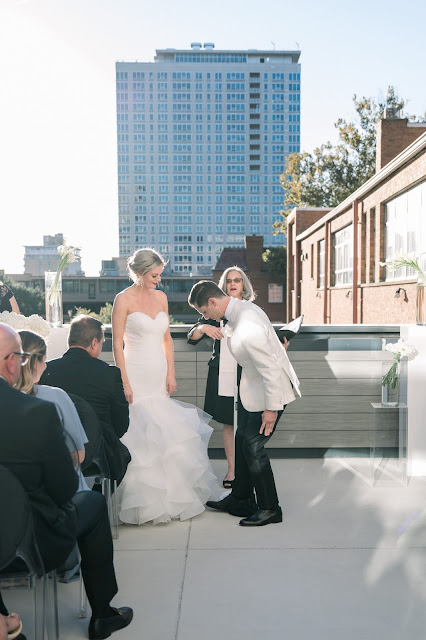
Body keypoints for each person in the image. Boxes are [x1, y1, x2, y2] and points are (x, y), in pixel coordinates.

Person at [0, 323, 133, 639]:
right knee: (93, 502)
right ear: (10, 362)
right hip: (29, 541)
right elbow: (63, 489)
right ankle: (102, 613)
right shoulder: (35, 411)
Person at [112, 247, 222, 525]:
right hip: (135, 372)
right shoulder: (121, 300)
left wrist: (171, 371)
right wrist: (123, 380)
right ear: (139, 273)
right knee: (141, 432)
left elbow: (167, 339)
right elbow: (116, 344)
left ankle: (173, 497)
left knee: (166, 431)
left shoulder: (161, 297)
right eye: (154, 275)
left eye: (159, 275)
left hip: (159, 372)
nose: (158, 280)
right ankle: (144, 504)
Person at [188, 281, 301, 527]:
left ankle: (271, 509)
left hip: (272, 393)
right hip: (254, 390)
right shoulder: (238, 311)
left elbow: (270, 369)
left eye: (205, 312)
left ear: (213, 302)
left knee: (253, 447)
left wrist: (271, 409)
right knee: (241, 439)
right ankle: (240, 499)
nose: (206, 317)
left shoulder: (247, 324)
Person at [40, 315, 130, 485]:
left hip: (55, 453)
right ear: (94, 342)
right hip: (98, 458)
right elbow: (121, 425)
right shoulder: (110, 374)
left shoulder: (46, 370)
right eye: (102, 343)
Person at [187, 266, 255, 488]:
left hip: (244, 372)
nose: (233, 284)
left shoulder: (249, 311)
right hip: (222, 373)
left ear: (244, 284)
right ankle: (232, 471)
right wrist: (205, 326)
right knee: (228, 423)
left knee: (246, 422)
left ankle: (248, 470)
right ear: (222, 287)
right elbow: (192, 336)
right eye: (229, 281)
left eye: (238, 280)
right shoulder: (215, 313)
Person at [16, 330, 90, 492]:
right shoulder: (56, 397)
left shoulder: (6, 398)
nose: (46, 365)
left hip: (13, 495)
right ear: (36, 363)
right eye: (44, 360)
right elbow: (78, 455)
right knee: (96, 505)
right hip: (60, 494)